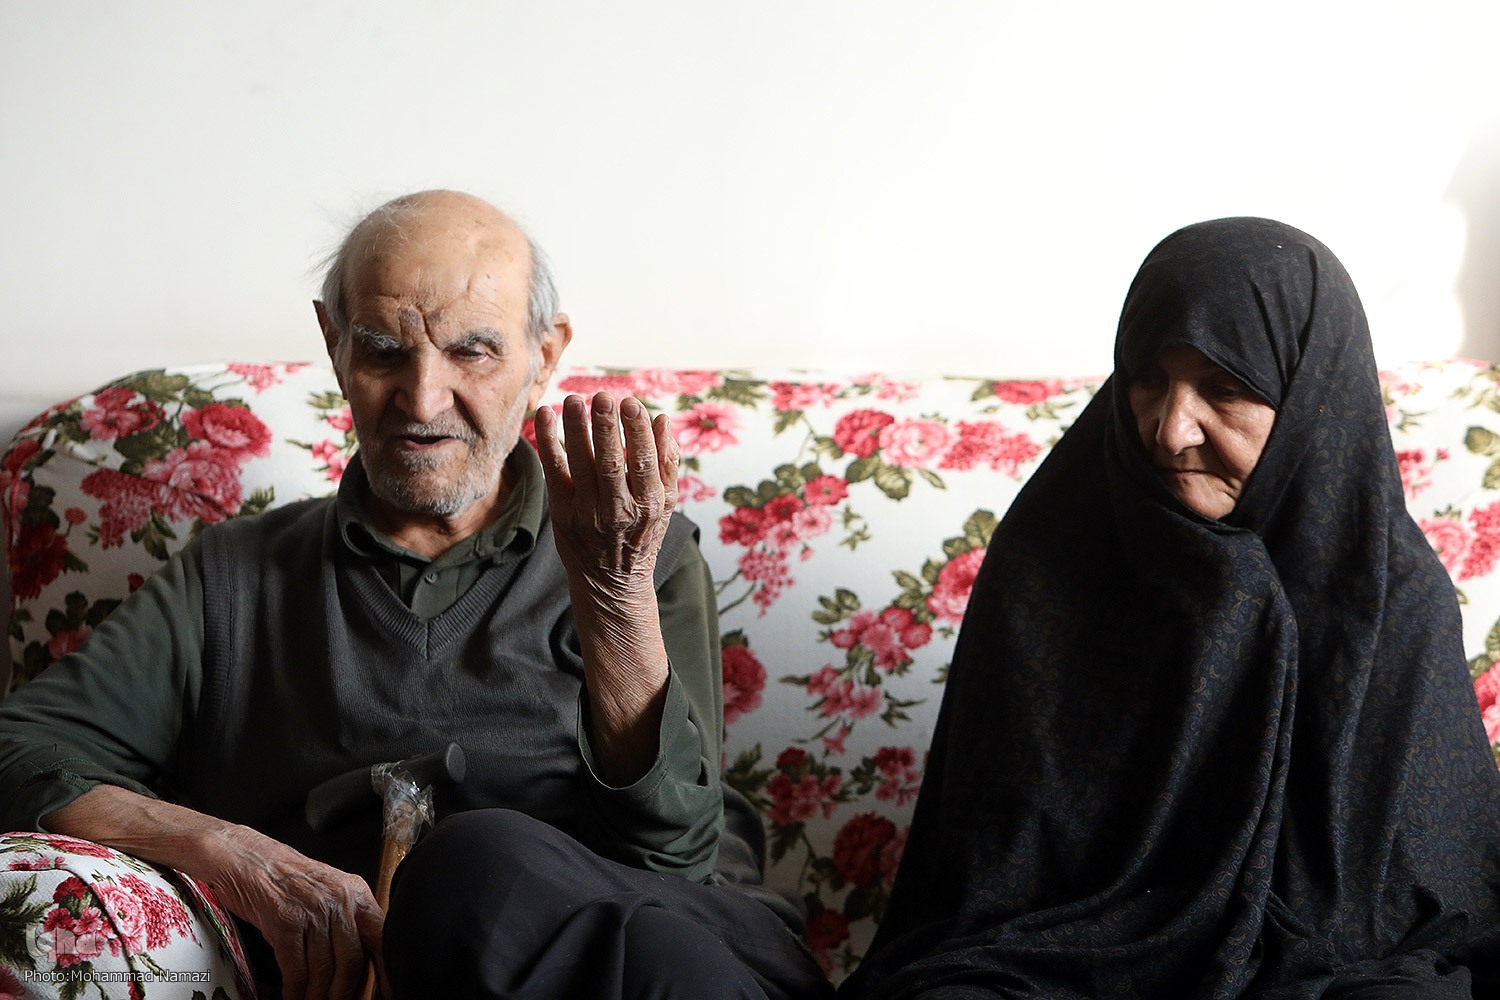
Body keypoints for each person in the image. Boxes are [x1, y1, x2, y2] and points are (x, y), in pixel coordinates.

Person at [0, 190, 832, 1000]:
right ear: (334, 346)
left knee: (473, 867)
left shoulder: (633, 547)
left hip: (681, 951)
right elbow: (18, 747)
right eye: (383, 350)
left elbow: (673, 858)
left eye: (472, 351)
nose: (423, 399)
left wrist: (614, 597)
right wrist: (227, 849)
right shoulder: (235, 577)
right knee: (455, 881)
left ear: (544, 356)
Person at [838, 217, 1500, 999]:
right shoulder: (1052, 556)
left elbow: (1438, 900)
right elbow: (986, 885)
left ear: (1312, 397)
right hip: (1053, 970)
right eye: (1148, 379)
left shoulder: (1388, 593)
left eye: (1225, 388)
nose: (1168, 428)